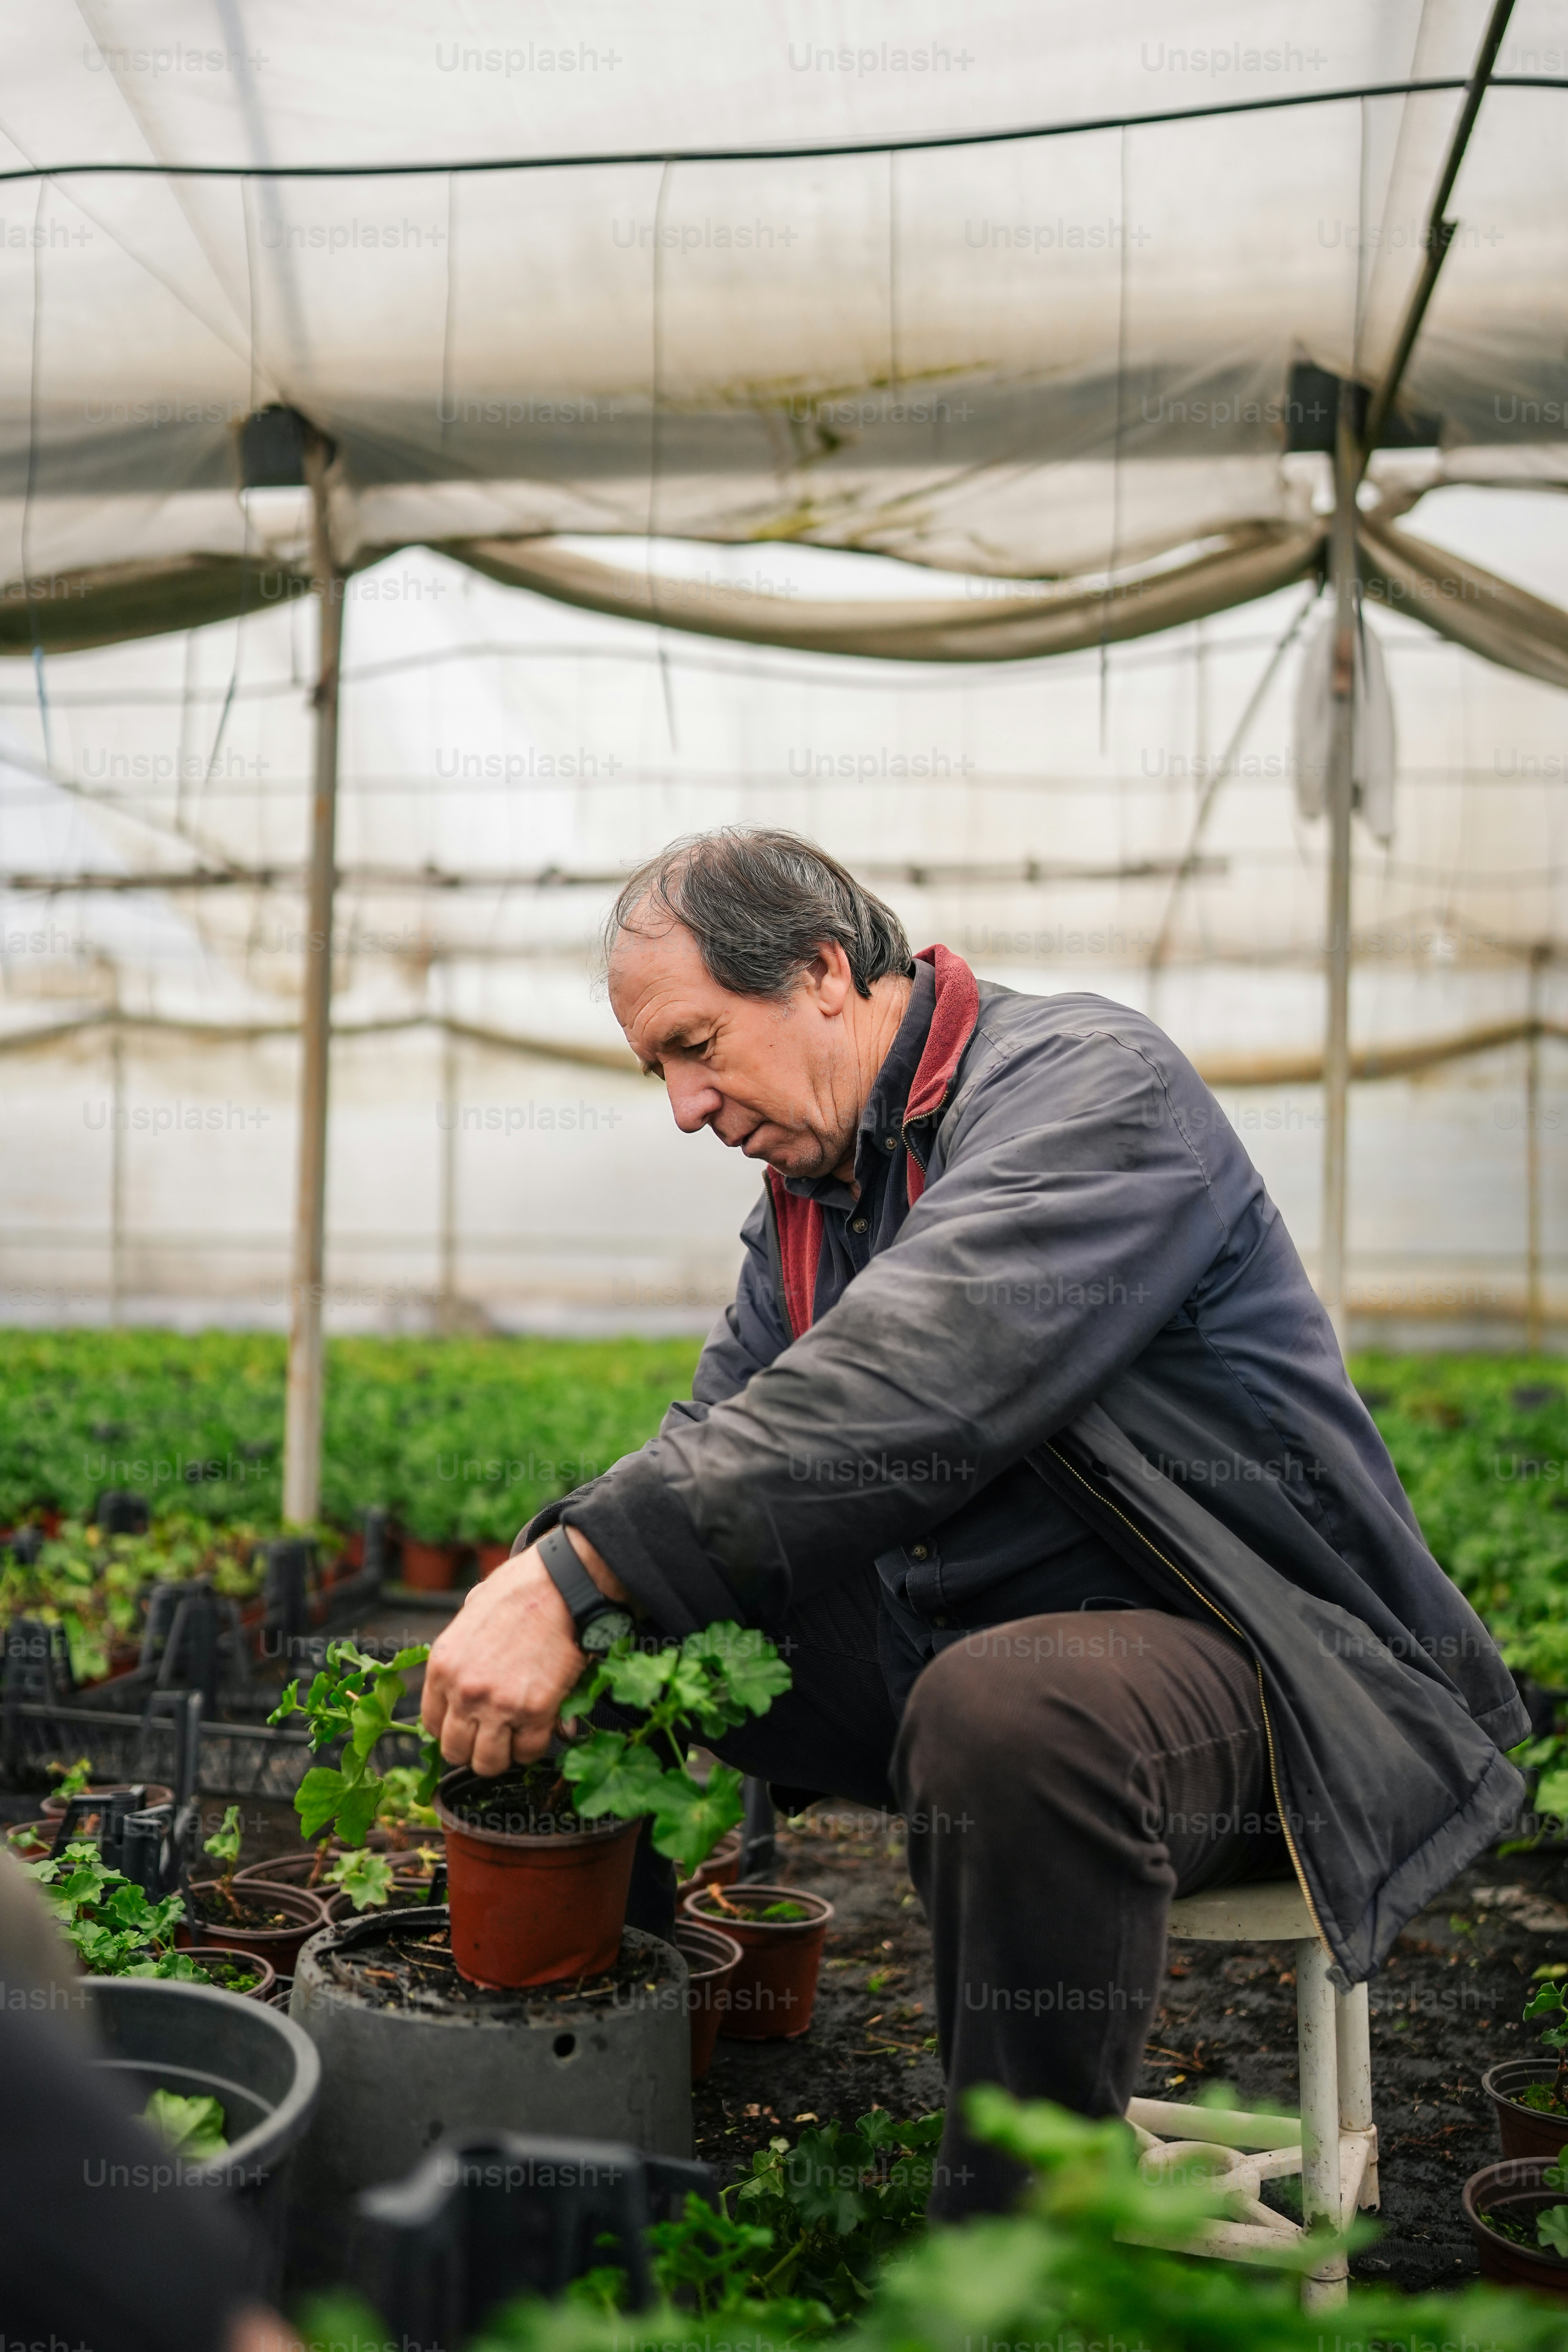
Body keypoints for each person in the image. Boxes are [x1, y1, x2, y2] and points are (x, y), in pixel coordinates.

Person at [422, 826, 1526, 2213]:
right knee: (609, 1623)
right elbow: (718, 1442)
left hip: (1248, 1685)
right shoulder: (813, 1197)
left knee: (1001, 1709)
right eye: (660, 1069)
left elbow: (920, 1373)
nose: (686, 1108)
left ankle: (1006, 2254)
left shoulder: (1091, 1092)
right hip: (933, 1651)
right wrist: (560, 1573)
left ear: (824, 973)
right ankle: (593, 2132)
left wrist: (583, 1568)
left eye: (697, 1046)